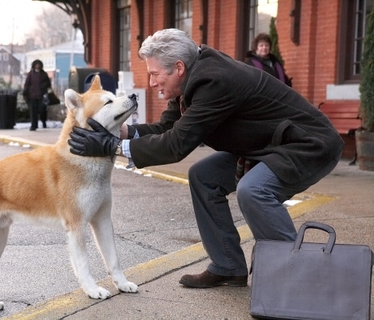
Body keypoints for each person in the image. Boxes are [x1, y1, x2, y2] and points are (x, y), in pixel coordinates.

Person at [68, 28, 344, 289]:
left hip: (307, 145)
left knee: (253, 191)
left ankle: (304, 275)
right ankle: (227, 266)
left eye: (154, 74)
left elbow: (176, 145)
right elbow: (167, 128)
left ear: (178, 68)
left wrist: (111, 146)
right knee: (203, 176)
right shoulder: (192, 76)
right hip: (267, 146)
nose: (152, 83)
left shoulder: (215, 81)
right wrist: (118, 130)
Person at [22, 59, 52, 131]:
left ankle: (43, 121)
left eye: (39, 65)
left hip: (42, 96)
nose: (38, 66)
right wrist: (25, 93)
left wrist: (43, 86)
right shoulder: (31, 74)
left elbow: (48, 84)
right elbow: (27, 84)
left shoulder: (44, 74)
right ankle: (34, 126)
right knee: (33, 111)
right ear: (34, 66)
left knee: (42, 110)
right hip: (32, 96)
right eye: (36, 65)